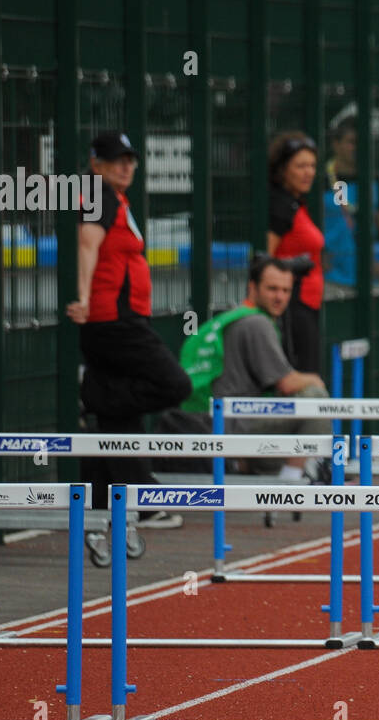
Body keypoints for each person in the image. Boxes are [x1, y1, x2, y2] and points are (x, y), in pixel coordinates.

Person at [66, 130, 192, 526]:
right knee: (175, 385)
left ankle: (127, 499)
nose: (126, 166)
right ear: (96, 164)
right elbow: (87, 243)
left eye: (130, 159)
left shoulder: (114, 197)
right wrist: (84, 298)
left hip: (119, 318)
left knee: (121, 423)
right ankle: (93, 394)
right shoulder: (98, 193)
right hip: (113, 320)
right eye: (117, 159)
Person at [170, 256, 331, 481]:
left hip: (207, 417)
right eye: (272, 289)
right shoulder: (257, 323)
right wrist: (314, 379)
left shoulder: (231, 318)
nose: (280, 297)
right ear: (252, 287)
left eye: (286, 290)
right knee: (315, 399)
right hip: (229, 423)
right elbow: (286, 383)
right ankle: (292, 480)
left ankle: (252, 468)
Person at [266, 132, 325, 374]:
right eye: (300, 166)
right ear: (282, 170)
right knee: (303, 375)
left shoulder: (295, 203)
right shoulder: (281, 206)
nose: (308, 172)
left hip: (307, 304)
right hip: (291, 306)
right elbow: (265, 259)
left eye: (312, 165)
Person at [321, 118, 379, 287]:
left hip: (369, 280)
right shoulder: (320, 181)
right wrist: (318, 257)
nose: (357, 148)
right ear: (335, 144)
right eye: (351, 142)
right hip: (330, 279)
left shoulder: (374, 181)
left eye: (361, 142)